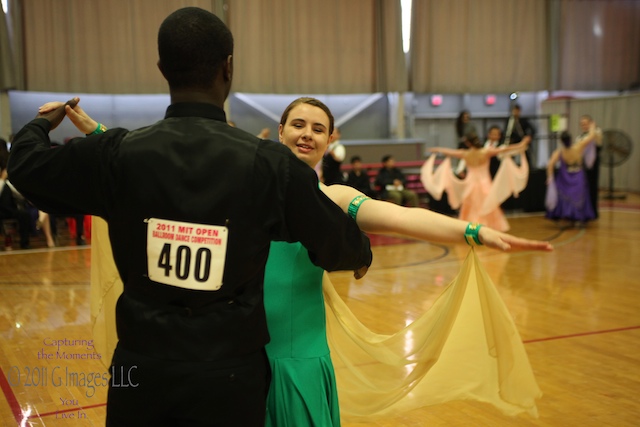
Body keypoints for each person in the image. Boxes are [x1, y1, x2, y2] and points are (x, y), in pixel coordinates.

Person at [64, 97, 552, 426]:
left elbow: (402, 216)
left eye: (318, 129)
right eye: (297, 124)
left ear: (329, 140)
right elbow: (168, 160)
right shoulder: (245, 188)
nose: (306, 134)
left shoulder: (334, 196)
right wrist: (98, 131)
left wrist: (473, 229)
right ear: (279, 131)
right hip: (238, 362)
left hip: (298, 365)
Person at [8, 7, 372, 427]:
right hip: (232, 376)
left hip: (139, 369)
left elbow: (26, 168)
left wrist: (42, 123)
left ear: (162, 68)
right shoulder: (269, 165)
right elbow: (335, 242)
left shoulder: (120, 155)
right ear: (228, 68)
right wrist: (360, 253)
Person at [421, 132, 531, 232]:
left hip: (471, 184)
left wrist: (438, 149)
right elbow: (505, 149)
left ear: (468, 143)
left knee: (472, 207)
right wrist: (522, 143)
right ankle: (487, 228)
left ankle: (473, 228)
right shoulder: (485, 152)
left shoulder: (465, 154)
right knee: (486, 205)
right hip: (485, 183)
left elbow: (450, 152)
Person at [545, 130, 596, 226]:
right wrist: (592, 126)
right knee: (578, 197)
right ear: (570, 139)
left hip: (566, 178)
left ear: (561, 141)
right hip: (578, 177)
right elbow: (591, 136)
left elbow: (550, 165)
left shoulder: (560, 152)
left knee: (567, 197)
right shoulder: (578, 147)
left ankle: (568, 217)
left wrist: (550, 178)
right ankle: (577, 217)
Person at [577, 115, 603, 218]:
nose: (584, 125)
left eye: (586, 123)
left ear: (591, 123)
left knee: (592, 188)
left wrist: (593, 127)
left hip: (593, 167)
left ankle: (592, 212)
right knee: (582, 188)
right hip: (582, 166)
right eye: (582, 124)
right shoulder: (579, 137)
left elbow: (592, 138)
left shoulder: (597, 133)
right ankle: (583, 210)